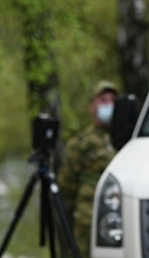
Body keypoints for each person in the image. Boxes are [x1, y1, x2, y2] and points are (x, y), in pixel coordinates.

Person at [58, 80, 118, 258]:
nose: (108, 105)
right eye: (103, 100)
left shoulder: (127, 139)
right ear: (92, 107)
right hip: (88, 221)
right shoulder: (81, 144)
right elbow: (66, 184)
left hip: (119, 221)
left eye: (112, 101)